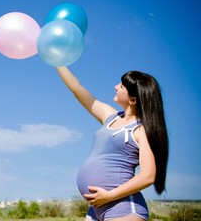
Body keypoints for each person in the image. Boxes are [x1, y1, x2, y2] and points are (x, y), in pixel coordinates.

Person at [56, 66, 169, 221]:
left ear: (133, 99)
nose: (115, 86)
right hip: (97, 209)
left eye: (121, 86)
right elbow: (76, 88)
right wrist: (56, 61)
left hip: (124, 209)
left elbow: (148, 176)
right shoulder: (110, 116)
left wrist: (109, 195)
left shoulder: (140, 130)